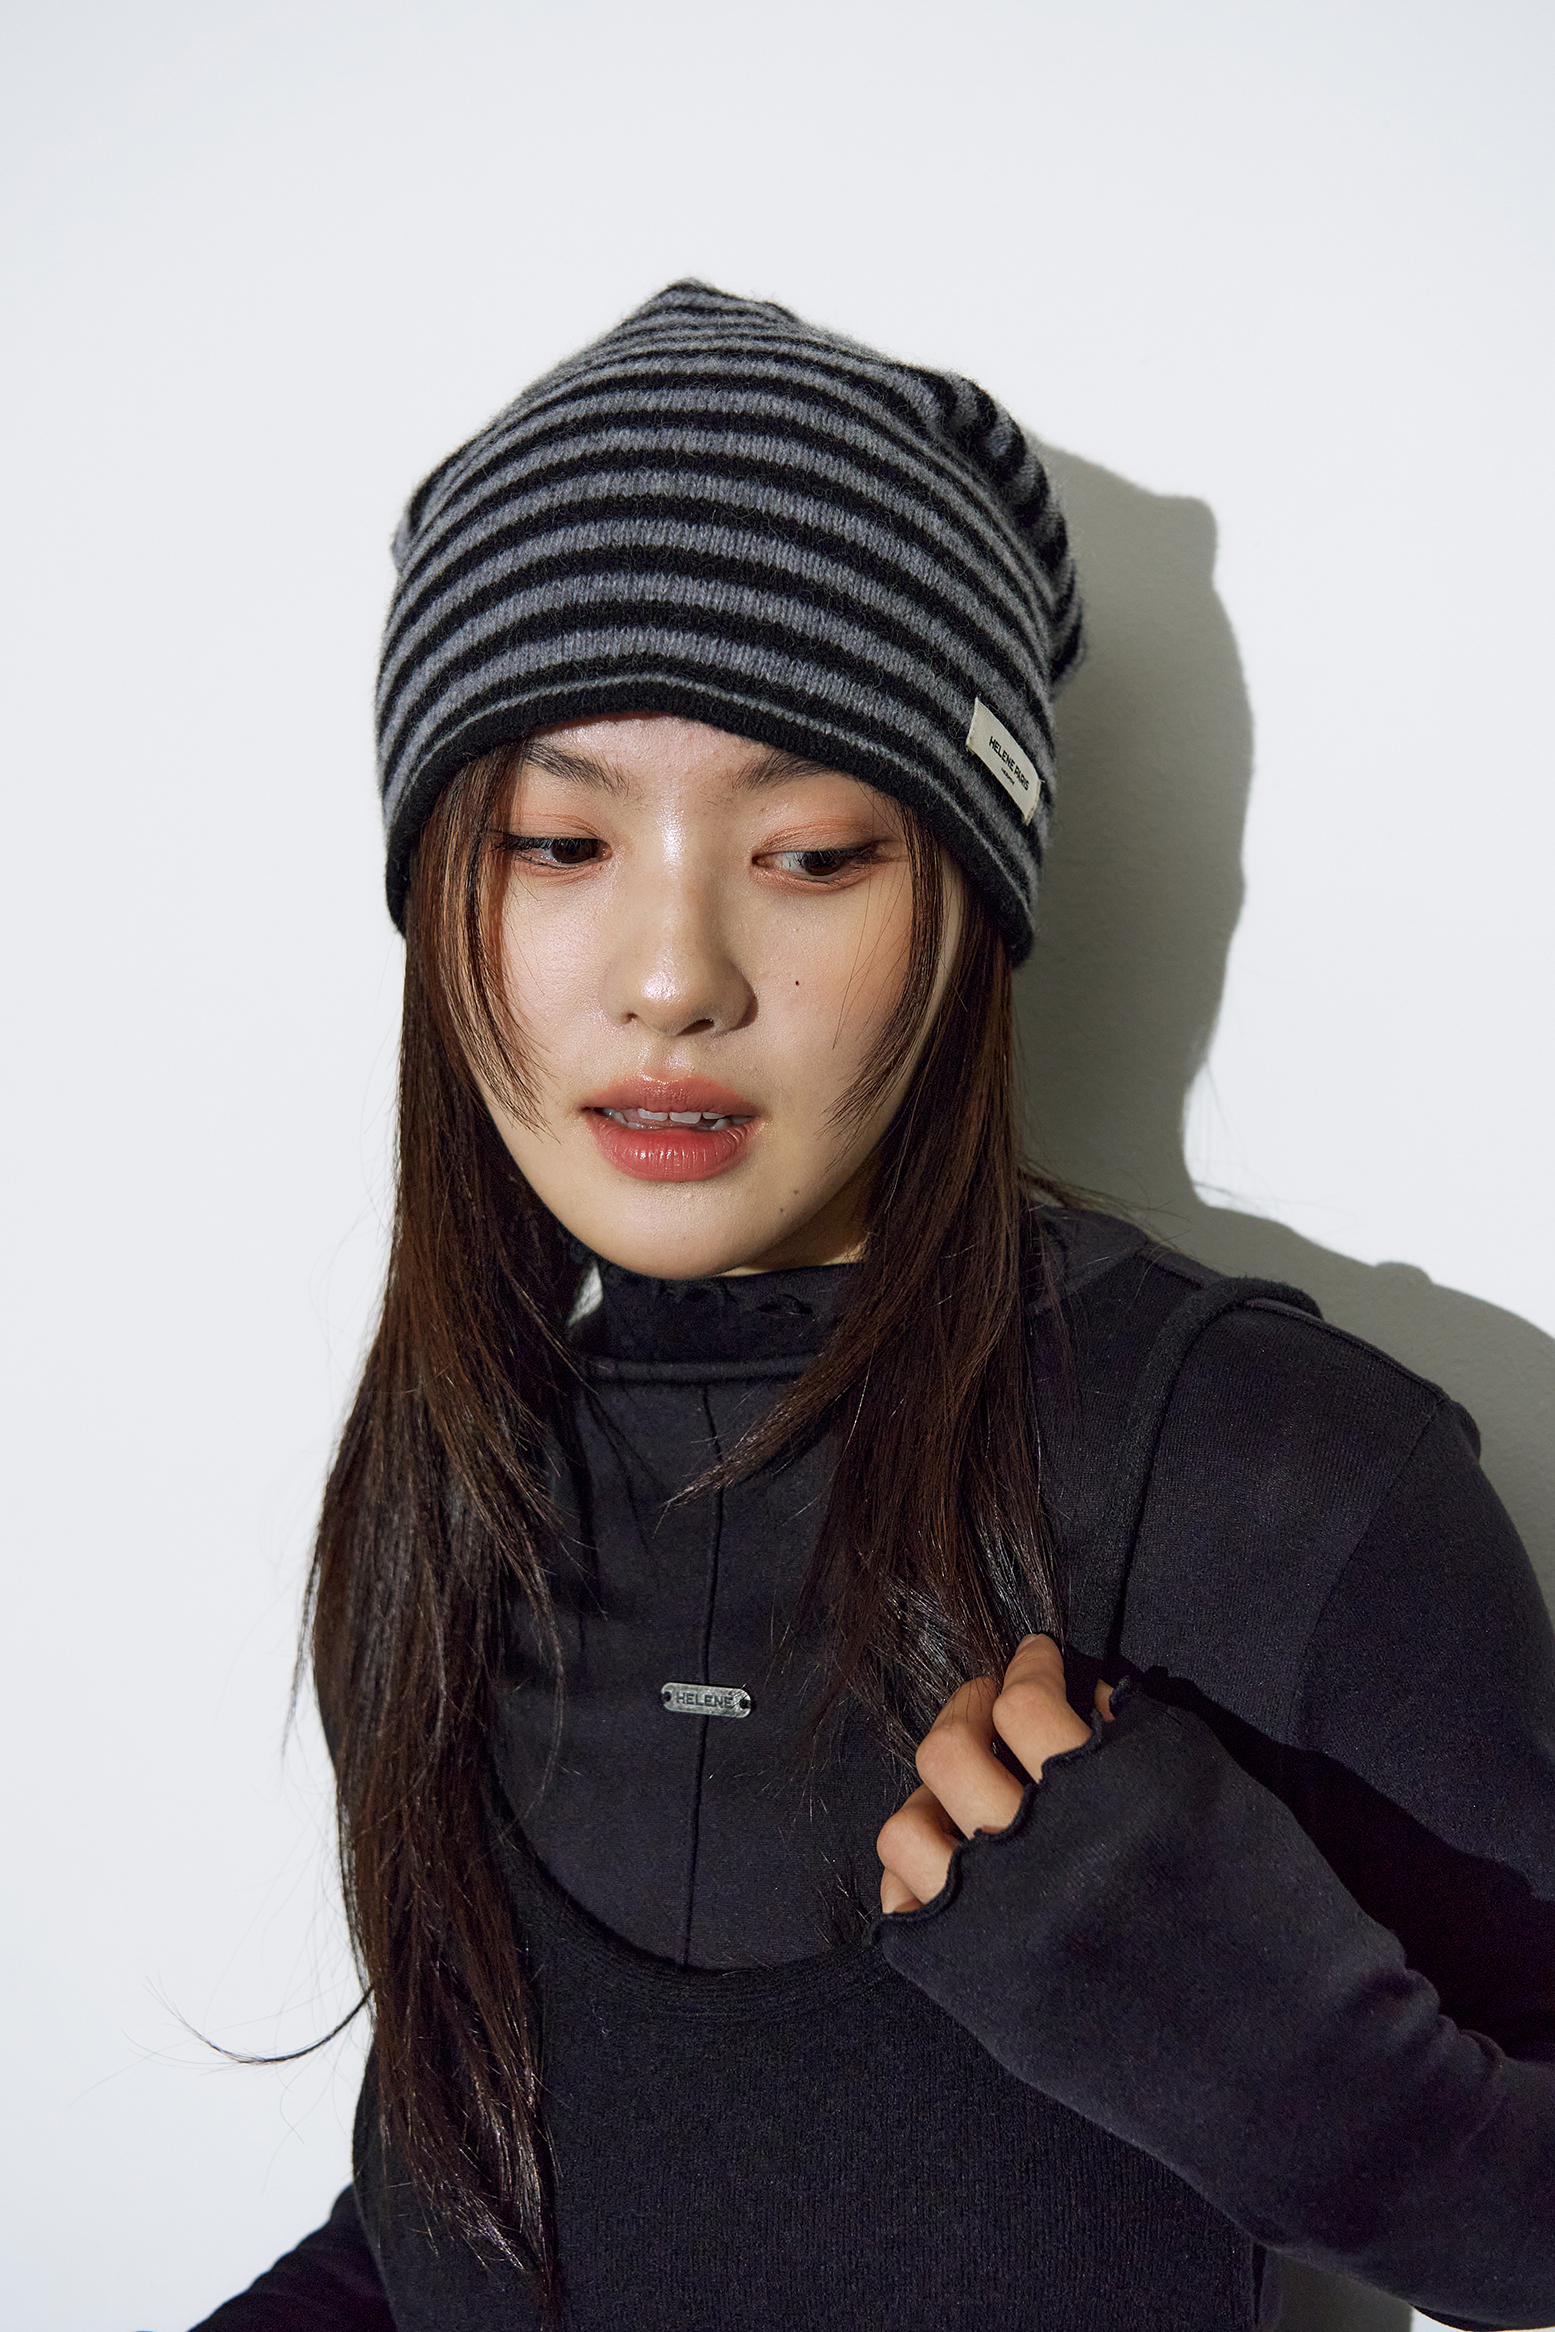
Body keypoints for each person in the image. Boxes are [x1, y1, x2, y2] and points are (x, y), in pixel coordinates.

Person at [191, 282, 1555, 2332]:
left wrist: (1332, 2098)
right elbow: (449, 2240)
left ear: (967, 904)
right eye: (558, 839)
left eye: (814, 850)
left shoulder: (1279, 1483)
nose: (672, 973)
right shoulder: (456, 1481)